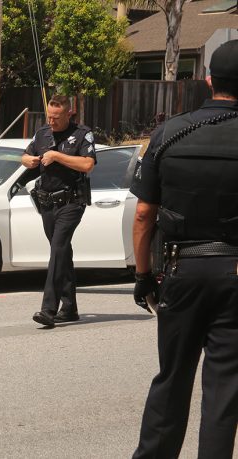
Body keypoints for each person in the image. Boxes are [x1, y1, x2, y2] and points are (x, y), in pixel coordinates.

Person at [130, 39, 238, 459]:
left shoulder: (171, 132)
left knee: (171, 378)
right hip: (234, 276)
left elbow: (143, 214)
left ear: (208, 80)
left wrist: (142, 277)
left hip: (181, 271)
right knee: (224, 388)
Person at [21, 95, 96, 328]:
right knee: (62, 253)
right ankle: (70, 307)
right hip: (47, 202)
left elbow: (87, 164)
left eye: (56, 117)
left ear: (68, 113)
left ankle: (48, 310)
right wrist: (29, 161)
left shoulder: (82, 134)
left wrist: (56, 156)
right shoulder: (42, 133)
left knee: (57, 249)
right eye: (49, 116)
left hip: (71, 202)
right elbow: (24, 156)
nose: (51, 122)